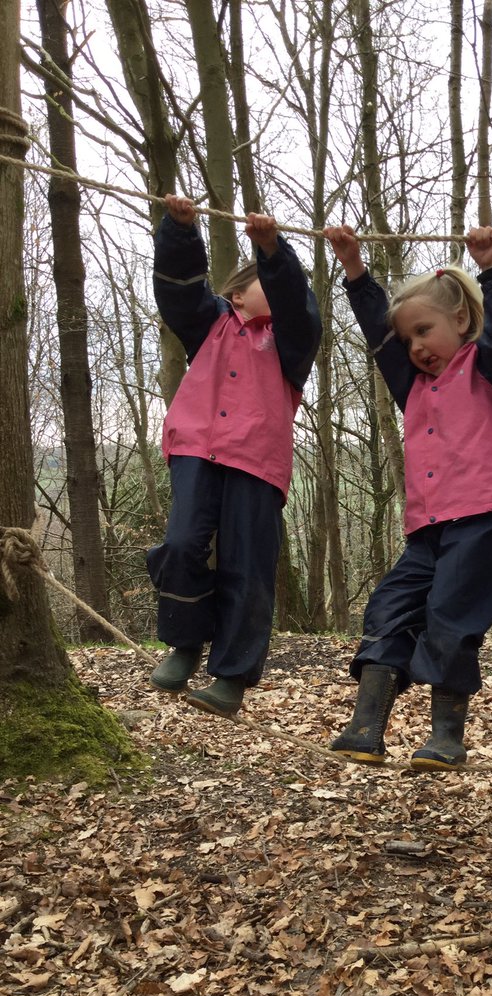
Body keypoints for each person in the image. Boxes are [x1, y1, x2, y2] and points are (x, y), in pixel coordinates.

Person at [322, 223, 492, 769]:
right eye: (409, 340)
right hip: (428, 526)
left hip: (488, 518)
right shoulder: (414, 386)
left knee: (449, 616)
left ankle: (447, 735)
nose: (416, 347)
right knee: (389, 608)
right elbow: (381, 339)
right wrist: (354, 271)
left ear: (462, 320)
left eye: (425, 331)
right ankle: (366, 726)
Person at [147, 195, 322, 715]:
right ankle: (184, 642)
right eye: (262, 278)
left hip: (257, 460)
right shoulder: (210, 322)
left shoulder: (290, 343)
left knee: (249, 566)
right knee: (181, 544)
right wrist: (181, 231)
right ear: (237, 294)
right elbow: (176, 291)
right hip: (197, 447)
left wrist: (273, 250)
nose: (279, 290)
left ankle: (232, 677)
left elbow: (298, 307)